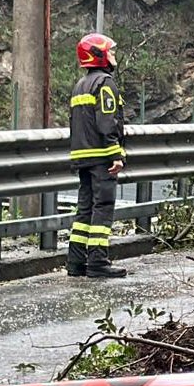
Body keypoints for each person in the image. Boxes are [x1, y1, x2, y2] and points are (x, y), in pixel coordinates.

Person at [68, 33, 127, 279]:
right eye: (110, 51)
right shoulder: (105, 83)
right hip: (102, 156)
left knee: (84, 210)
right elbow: (107, 121)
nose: (113, 56)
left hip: (82, 156)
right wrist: (115, 153)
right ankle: (98, 262)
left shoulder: (80, 85)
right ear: (99, 55)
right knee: (102, 207)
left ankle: (76, 262)